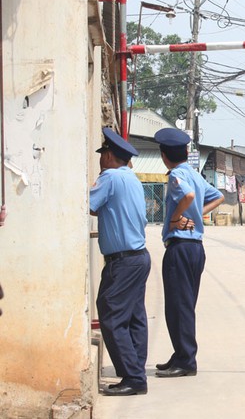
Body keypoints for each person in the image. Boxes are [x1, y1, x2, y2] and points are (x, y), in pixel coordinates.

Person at [153, 128, 224, 377]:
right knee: (185, 304)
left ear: (164, 156)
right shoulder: (194, 174)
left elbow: (189, 195)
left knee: (178, 305)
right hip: (196, 248)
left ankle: (185, 360)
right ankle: (181, 354)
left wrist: (176, 218)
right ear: (185, 152)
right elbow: (219, 197)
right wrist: (196, 214)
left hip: (180, 246)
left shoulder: (176, 176)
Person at [90, 127, 151, 395]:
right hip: (138, 257)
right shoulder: (132, 178)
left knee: (111, 314)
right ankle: (135, 368)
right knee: (134, 316)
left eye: (102, 155)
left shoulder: (110, 177)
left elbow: (87, 205)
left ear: (109, 156)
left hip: (123, 261)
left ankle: (134, 378)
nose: (100, 161)